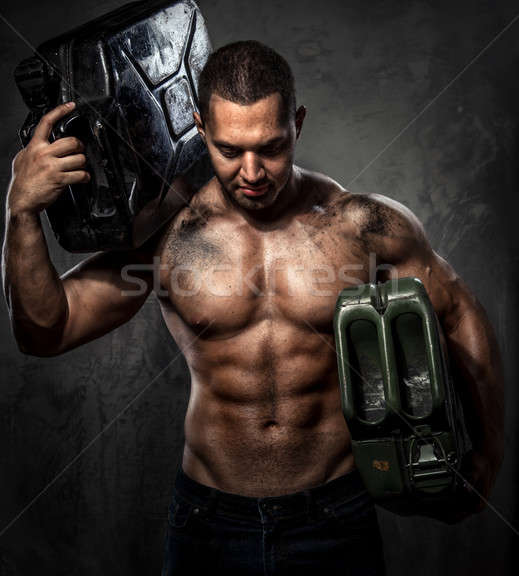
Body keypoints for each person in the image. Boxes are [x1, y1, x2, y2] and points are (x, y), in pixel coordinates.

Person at [3, 41, 504, 575]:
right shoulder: (167, 231)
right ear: (198, 126)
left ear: (298, 123)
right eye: (228, 149)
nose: (252, 171)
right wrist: (22, 212)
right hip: (209, 520)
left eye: (271, 147)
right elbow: (47, 330)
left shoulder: (361, 224)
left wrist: (489, 447)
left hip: (334, 512)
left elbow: (455, 313)